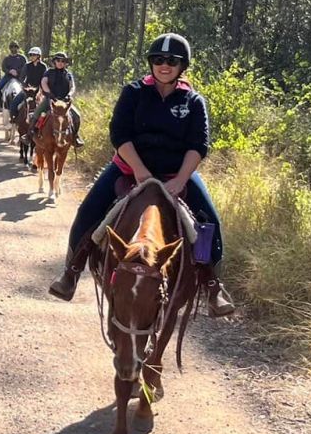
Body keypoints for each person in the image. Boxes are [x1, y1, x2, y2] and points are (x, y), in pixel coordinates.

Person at [46, 32, 234, 316]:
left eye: (172, 60)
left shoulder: (194, 101)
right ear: (151, 63)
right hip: (130, 169)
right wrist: (141, 172)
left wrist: (181, 180)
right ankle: (71, 272)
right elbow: (119, 134)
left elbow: (198, 145)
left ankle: (212, 285)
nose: (164, 65)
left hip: (176, 173)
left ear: (183, 66)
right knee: (89, 210)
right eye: (158, 59)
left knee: (209, 221)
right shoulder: (133, 93)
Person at [33, 51, 83, 146]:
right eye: (58, 60)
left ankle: (75, 137)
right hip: (50, 100)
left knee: (77, 116)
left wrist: (69, 95)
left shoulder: (68, 74)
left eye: (63, 61)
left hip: (64, 102)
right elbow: (43, 82)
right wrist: (49, 93)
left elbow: (72, 86)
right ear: (54, 62)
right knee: (37, 113)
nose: (60, 62)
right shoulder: (48, 72)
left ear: (65, 63)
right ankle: (30, 134)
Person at [0, 42, 27, 110]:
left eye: (15, 47)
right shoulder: (7, 58)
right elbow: (3, 67)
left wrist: (17, 72)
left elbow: (25, 67)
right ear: (10, 48)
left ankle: (27, 105)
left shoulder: (22, 58)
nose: (14, 48)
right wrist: (9, 71)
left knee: (26, 88)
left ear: (18, 48)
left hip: (19, 77)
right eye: (12, 47)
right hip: (8, 76)